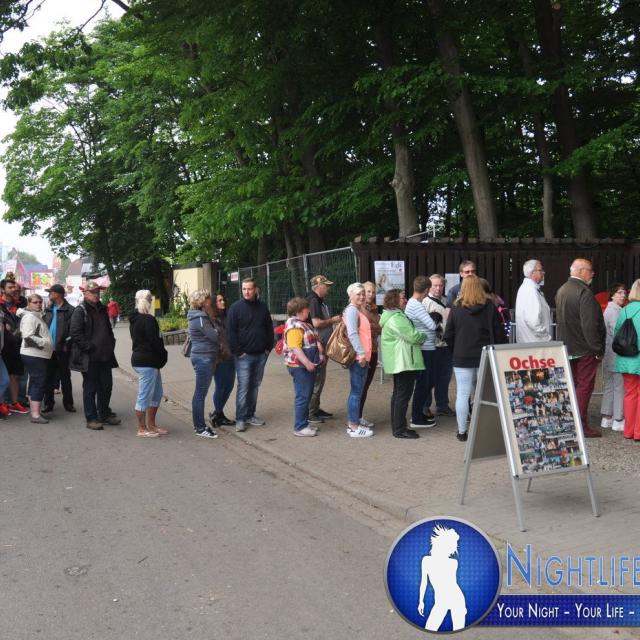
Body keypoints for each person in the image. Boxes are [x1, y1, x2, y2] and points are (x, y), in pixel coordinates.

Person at [444, 275, 506, 441]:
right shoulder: (490, 307)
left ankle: (462, 431)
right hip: (484, 355)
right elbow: (499, 333)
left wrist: (455, 349)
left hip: (462, 356)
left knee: (462, 394)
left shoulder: (456, 308)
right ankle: (483, 429)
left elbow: (448, 334)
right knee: (483, 394)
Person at [555, 258, 605, 438]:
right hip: (585, 348)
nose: (593, 274)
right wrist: (597, 349)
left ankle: (571, 422)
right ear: (582, 271)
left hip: (568, 346)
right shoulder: (584, 292)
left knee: (574, 386)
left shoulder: (562, 289)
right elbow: (589, 325)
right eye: (590, 270)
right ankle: (581, 425)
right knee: (584, 387)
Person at [70, 281, 121, 431]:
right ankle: (91, 418)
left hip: (105, 355)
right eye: (92, 292)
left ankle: (104, 413)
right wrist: (89, 347)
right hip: (90, 357)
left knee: (106, 386)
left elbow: (108, 330)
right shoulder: (80, 310)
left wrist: (111, 343)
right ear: (85, 293)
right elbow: (75, 333)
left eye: (97, 292)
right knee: (90, 388)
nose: (96, 295)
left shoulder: (102, 308)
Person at [227, 278, 274, 432]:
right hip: (243, 357)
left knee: (254, 386)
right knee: (244, 387)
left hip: (261, 354)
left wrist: (268, 347)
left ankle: (250, 415)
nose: (246, 292)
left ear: (255, 290)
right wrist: (239, 351)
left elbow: (269, 327)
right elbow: (230, 332)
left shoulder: (262, 307)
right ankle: (240, 418)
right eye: (244, 289)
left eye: (249, 289)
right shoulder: (235, 308)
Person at [380, 289, 426, 439]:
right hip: (403, 361)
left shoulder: (393, 316)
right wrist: (424, 335)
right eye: (402, 298)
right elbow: (413, 336)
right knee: (402, 396)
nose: (405, 300)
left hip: (401, 361)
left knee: (399, 395)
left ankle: (398, 426)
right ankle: (399, 429)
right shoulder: (396, 318)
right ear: (394, 300)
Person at [130, 289, 169, 438]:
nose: (152, 303)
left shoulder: (134, 319)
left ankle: (151, 425)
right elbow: (156, 342)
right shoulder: (148, 320)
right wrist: (164, 355)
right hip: (147, 362)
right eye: (151, 300)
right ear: (148, 302)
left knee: (157, 393)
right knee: (144, 395)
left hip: (143, 360)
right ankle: (142, 428)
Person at [283, 297, 324, 437]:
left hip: (304, 366)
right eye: (307, 309)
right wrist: (307, 363)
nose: (309, 311)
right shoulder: (295, 326)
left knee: (306, 395)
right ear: (300, 310)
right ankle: (300, 427)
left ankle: (304, 423)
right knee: (303, 396)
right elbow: (295, 347)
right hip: (300, 366)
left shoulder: (301, 323)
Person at [418, 525, 467, 632]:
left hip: (456, 599)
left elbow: (452, 584)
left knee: (458, 631)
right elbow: (423, 583)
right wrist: (421, 601)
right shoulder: (426, 560)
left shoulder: (453, 563)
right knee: (429, 628)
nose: (453, 550)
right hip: (441, 601)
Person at [405, 276, 438, 429]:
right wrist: (435, 317)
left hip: (426, 347)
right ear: (426, 290)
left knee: (426, 382)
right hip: (425, 348)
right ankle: (416, 417)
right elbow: (432, 325)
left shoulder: (413, 303)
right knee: (423, 384)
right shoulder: (416, 305)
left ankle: (418, 413)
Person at [307, 275, 341, 423]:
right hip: (317, 345)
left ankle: (315, 408)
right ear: (319, 286)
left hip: (320, 344)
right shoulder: (313, 301)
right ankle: (310, 412)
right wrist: (333, 320)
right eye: (326, 286)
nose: (328, 288)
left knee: (319, 379)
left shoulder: (318, 300)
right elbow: (316, 323)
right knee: (317, 379)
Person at [17, 293, 54, 423]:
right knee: (38, 382)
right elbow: (28, 337)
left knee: (35, 381)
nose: (38, 304)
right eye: (35, 302)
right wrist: (46, 343)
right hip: (34, 354)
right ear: (28, 303)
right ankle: (35, 415)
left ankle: (35, 411)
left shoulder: (35, 315)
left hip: (35, 354)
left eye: (40, 302)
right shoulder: (30, 317)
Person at [187, 289, 219, 438]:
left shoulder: (197, 316)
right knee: (200, 393)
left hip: (203, 356)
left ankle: (199, 426)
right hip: (203, 358)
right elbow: (214, 336)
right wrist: (216, 330)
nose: (210, 301)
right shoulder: (200, 318)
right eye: (207, 298)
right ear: (202, 301)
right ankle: (200, 427)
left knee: (200, 392)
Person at [344, 282, 374, 438]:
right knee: (356, 392)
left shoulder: (356, 309)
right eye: (358, 294)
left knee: (357, 391)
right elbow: (352, 333)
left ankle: (354, 422)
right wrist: (361, 354)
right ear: (350, 295)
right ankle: (353, 427)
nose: (362, 296)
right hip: (359, 357)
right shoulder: (351, 311)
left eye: (363, 294)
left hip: (363, 356)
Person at [422, 274, 455, 417]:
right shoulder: (425, 302)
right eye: (435, 285)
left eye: (440, 285)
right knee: (429, 377)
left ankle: (442, 405)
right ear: (429, 286)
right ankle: (425, 406)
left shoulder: (447, 300)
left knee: (445, 376)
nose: (438, 288)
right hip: (432, 345)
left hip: (446, 345)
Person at [42, 283, 76, 414]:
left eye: (51, 292)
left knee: (65, 377)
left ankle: (68, 403)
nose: (49, 295)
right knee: (48, 377)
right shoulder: (49, 309)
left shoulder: (70, 310)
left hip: (62, 349)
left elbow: (73, 331)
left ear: (58, 294)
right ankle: (48, 404)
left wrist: (67, 345)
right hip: (48, 349)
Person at [613, 279, 640, 440]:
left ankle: (628, 431)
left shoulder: (624, 310)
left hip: (625, 359)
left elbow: (617, 333)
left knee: (629, 394)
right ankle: (638, 432)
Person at [0, 278, 29, 414]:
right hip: (4, 346)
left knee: (15, 376)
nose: (13, 289)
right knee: (4, 378)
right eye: (10, 287)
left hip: (17, 344)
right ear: (2, 290)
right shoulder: (1, 305)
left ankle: (15, 402)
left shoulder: (19, 304)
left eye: (14, 287)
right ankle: (4, 403)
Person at [601, 283, 627, 432]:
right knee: (619, 386)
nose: (623, 295)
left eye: (624, 293)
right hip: (617, 354)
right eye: (619, 293)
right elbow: (619, 334)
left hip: (609, 353)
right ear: (612, 295)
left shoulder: (609, 310)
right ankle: (618, 418)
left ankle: (607, 417)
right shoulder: (615, 311)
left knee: (610, 385)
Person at [209, 292, 235, 427]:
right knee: (221, 386)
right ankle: (218, 414)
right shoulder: (210, 319)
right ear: (214, 303)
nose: (223, 302)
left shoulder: (227, 316)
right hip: (219, 358)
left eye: (223, 299)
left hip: (231, 356)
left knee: (229, 386)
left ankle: (217, 413)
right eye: (219, 300)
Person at [358, 281, 382, 428]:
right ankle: (355, 419)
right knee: (359, 386)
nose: (371, 294)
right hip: (362, 352)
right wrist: (374, 326)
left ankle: (358, 416)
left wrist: (373, 326)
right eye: (368, 291)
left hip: (373, 350)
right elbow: (365, 329)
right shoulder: (357, 308)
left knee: (365, 386)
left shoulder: (373, 308)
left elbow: (380, 328)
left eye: (373, 292)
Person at [515, 259, 552, 343]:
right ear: (532, 273)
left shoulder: (529, 289)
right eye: (540, 270)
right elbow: (533, 321)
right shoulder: (530, 291)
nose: (543, 273)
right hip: (535, 343)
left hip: (531, 342)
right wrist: (547, 338)